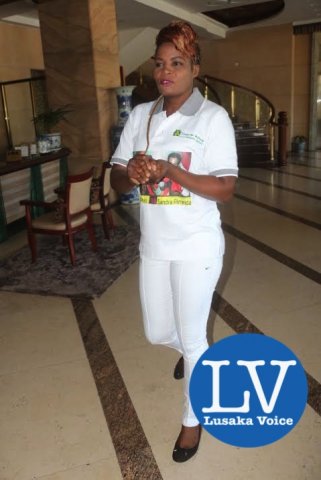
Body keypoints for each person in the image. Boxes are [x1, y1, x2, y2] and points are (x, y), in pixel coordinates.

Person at [110, 20, 238, 462]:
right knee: (156, 331)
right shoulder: (142, 115)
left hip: (197, 246)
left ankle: (192, 420)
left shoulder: (212, 117)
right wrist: (135, 171)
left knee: (195, 337)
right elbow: (116, 175)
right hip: (155, 245)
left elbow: (225, 188)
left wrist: (171, 171)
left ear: (195, 68)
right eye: (161, 63)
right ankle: (189, 348)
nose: (167, 72)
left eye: (177, 63)